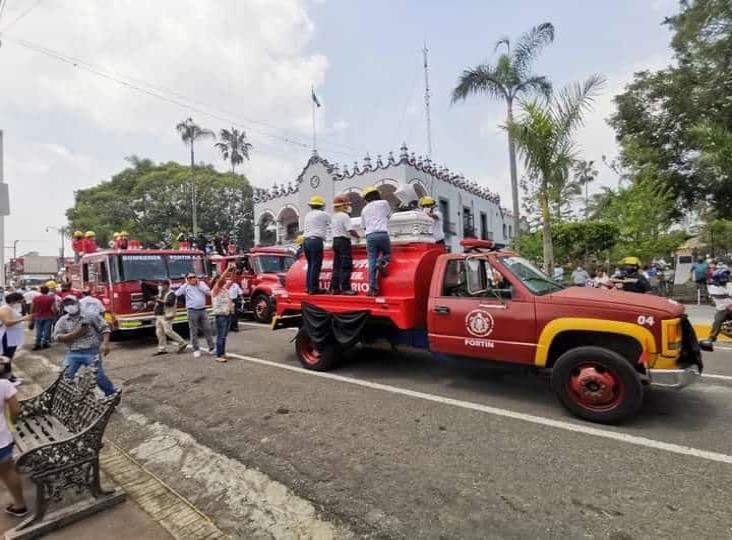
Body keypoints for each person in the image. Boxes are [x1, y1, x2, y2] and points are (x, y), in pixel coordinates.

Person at [54, 296, 116, 396]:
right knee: (65, 376)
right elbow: (57, 337)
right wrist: (74, 334)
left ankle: (111, 393)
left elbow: (104, 328)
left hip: (91, 352)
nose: (70, 306)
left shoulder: (90, 316)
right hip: (73, 353)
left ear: (78, 303)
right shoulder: (63, 320)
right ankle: (68, 398)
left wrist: (105, 343)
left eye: (72, 303)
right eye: (67, 304)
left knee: (98, 376)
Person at [0, 360, 27, 518]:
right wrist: (13, 424)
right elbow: (16, 410)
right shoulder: (4, 384)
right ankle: (20, 505)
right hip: (2, 438)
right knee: (8, 471)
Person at [361, 186, 392, 296]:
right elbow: (389, 216)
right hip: (382, 234)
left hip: (370, 236)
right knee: (387, 253)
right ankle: (382, 261)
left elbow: (363, 226)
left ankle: (372, 288)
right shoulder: (384, 203)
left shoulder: (364, 209)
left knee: (371, 262)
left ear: (366, 198)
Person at [175, 272, 214, 358]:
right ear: (187, 279)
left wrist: (199, 284)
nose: (193, 279)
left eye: (194, 277)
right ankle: (196, 349)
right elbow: (177, 293)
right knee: (193, 331)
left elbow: (208, 292)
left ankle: (211, 348)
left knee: (207, 329)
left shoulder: (201, 284)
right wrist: (186, 284)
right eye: (190, 278)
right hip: (192, 311)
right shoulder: (185, 286)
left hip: (203, 310)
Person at [330, 195, 358, 295]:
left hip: (335, 241)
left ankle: (334, 288)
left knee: (336, 265)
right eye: (347, 204)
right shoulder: (344, 216)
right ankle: (345, 288)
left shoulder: (333, 216)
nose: (348, 206)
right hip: (343, 242)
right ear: (344, 205)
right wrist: (358, 236)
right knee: (346, 265)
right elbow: (350, 229)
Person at [303, 195, 330, 294]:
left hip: (306, 241)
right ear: (321, 206)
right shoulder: (323, 214)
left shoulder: (307, 215)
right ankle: (314, 288)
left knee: (311, 265)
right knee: (316, 265)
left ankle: (308, 287)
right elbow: (332, 223)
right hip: (316, 241)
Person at [0, 293, 29, 386]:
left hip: (12, 336)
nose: (21, 303)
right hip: (7, 336)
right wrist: (23, 319)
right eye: (20, 301)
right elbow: (7, 323)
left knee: (8, 357)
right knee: (6, 357)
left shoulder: (10, 308)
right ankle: (7, 378)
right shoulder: (5, 309)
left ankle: (8, 376)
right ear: (14, 301)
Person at [153, 281, 187, 356]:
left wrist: (158, 300)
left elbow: (169, 303)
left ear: (166, 285)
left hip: (166, 315)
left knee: (168, 331)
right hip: (159, 315)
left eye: (162, 285)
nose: (160, 287)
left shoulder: (171, 293)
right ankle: (162, 349)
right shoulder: (161, 292)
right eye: (160, 285)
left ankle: (182, 343)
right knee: (159, 332)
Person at [700, 268, 732, 347]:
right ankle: (711, 338)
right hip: (723, 308)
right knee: (718, 321)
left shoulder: (729, 284)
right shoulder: (712, 287)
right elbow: (725, 294)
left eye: (726, 277)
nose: (726, 279)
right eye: (724, 277)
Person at [211, 266, 235, 363]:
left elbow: (232, 280)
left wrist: (234, 270)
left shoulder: (224, 289)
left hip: (227, 313)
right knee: (221, 335)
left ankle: (222, 353)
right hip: (220, 314)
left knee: (224, 335)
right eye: (223, 278)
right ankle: (219, 355)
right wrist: (227, 269)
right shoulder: (215, 289)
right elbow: (221, 280)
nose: (225, 280)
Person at [31, 285, 56, 350]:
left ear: (40, 291)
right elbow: (53, 308)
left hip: (38, 316)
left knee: (39, 331)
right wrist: (54, 314)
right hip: (48, 316)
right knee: (47, 330)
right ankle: (45, 343)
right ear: (48, 291)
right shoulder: (51, 298)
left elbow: (32, 308)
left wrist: (32, 315)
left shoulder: (36, 298)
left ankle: (37, 344)